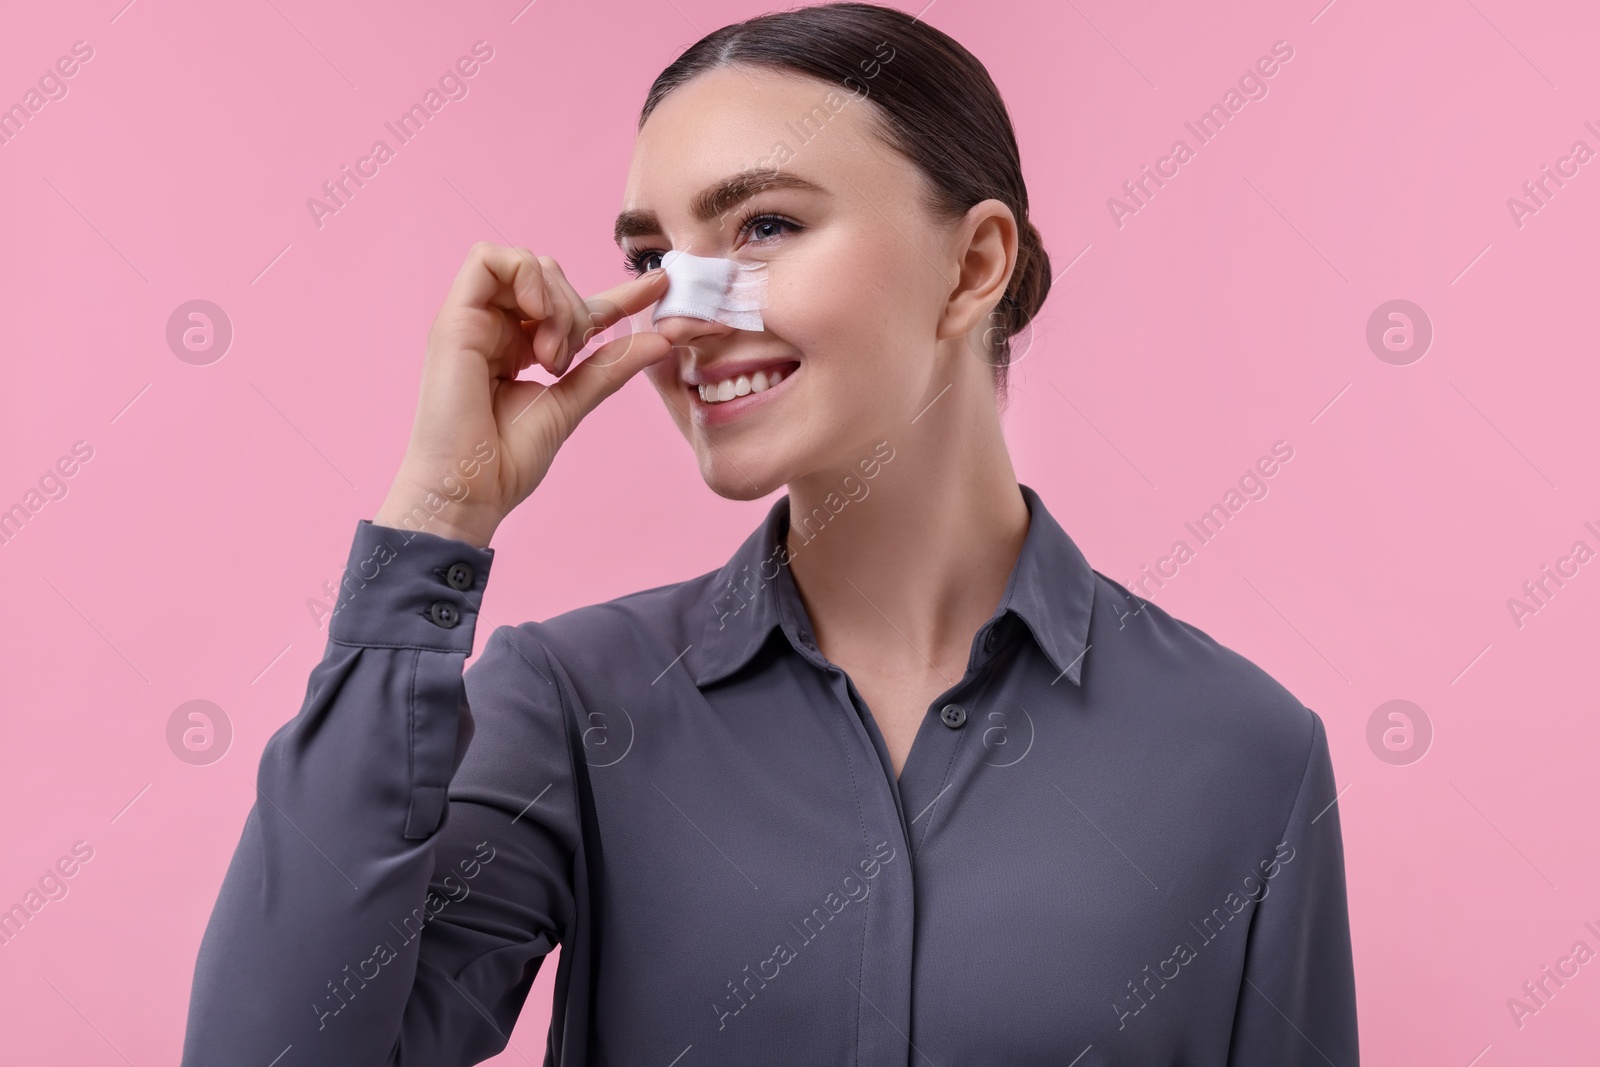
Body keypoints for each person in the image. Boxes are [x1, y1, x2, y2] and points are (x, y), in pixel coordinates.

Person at [180, 4, 1358, 1065]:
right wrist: (436, 515)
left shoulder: (1244, 752)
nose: (686, 310)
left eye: (766, 225)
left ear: (974, 263)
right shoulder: (574, 708)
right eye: (651, 257)